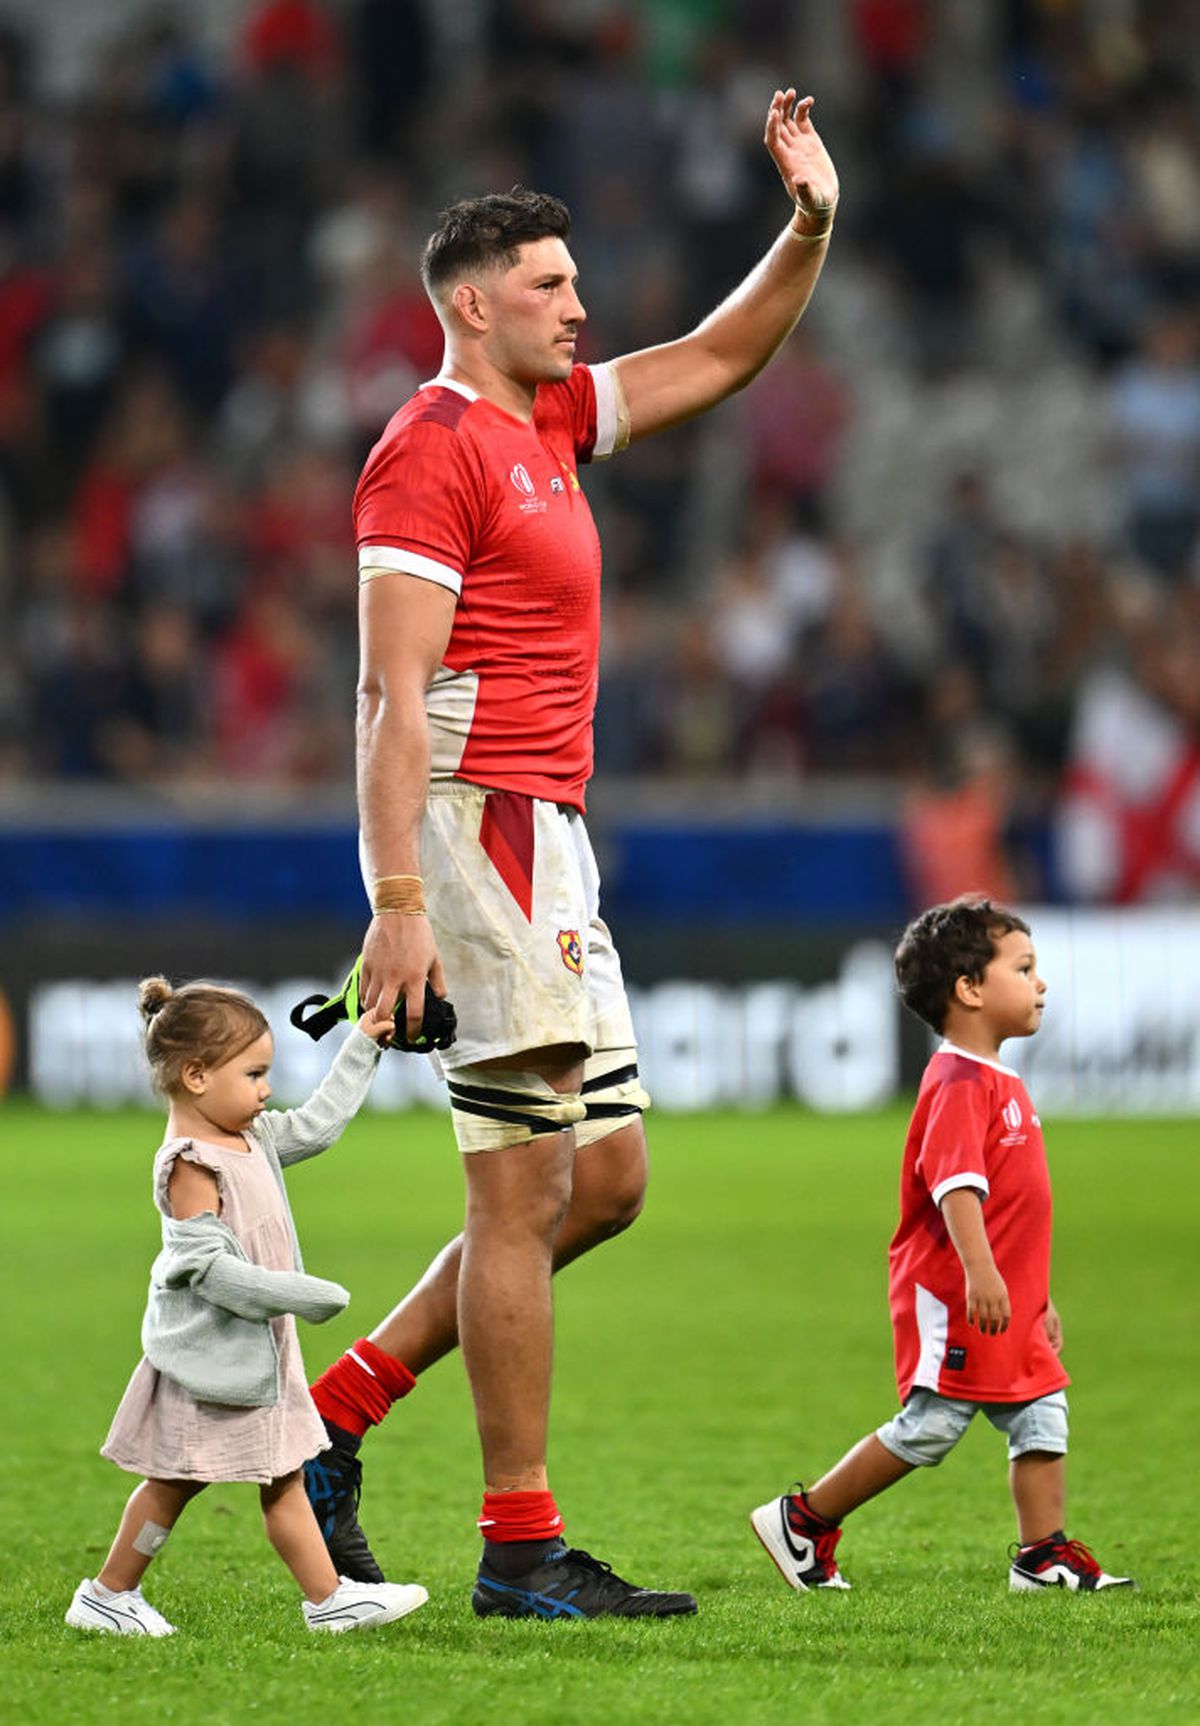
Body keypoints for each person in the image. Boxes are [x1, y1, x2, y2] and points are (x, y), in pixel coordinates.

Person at [302, 87, 840, 1620]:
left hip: (546, 828)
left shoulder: (545, 419)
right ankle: (520, 1548)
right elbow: (388, 695)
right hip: (472, 822)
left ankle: (333, 1415)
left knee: (603, 1178)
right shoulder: (426, 451)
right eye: (550, 283)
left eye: (576, 282)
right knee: (522, 1188)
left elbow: (721, 355)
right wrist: (398, 900)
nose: (579, 305)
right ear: (474, 304)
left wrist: (810, 224)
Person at [750, 897, 1135, 1594]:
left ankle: (1042, 1555)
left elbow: (1018, 1212)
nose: (1041, 983)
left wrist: (1037, 1297)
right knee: (931, 1425)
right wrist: (982, 1274)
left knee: (1042, 1410)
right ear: (970, 989)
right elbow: (955, 1189)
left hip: (1004, 1297)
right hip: (957, 1293)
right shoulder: (958, 1082)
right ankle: (803, 1519)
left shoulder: (997, 1078)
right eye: (1024, 968)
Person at [65, 976, 428, 1638]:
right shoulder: (189, 1164)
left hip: (256, 1353)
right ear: (197, 1075)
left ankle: (325, 1600)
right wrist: (301, 1294)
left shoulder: (251, 1136)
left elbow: (316, 1126)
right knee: (180, 1482)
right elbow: (208, 1270)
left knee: (274, 1477)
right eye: (254, 1074)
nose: (266, 1090)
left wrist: (362, 1045)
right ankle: (111, 1594)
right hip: (208, 1357)